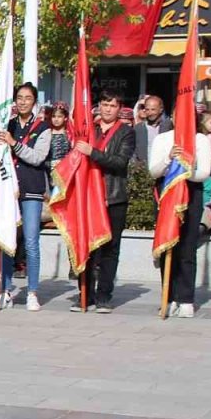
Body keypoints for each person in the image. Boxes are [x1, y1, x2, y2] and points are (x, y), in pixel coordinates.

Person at [73, 89, 135, 313]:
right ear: (99, 106)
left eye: (113, 105)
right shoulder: (90, 129)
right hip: (90, 196)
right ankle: (85, 294)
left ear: (119, 109)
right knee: (88, 247)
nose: (108, 109)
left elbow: (119, 162)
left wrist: (92, 152)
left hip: (113, 197)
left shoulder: (126, 132)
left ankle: (104, 296)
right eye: (105, 105)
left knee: (110, 248)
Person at [147, 115, 211, 318]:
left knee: (187, 248)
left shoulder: (200, 139)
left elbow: (204, 173)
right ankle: (169, 296)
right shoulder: (163, 138)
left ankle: (185, 298)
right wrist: (169, 159)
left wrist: (185, 168)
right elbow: (153, 171)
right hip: (167, 193)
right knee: (167, 245)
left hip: (190, 193)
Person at [0, 83, 51, 311]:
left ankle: (32, 292)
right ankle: (6, 289)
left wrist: (14, 144)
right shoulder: (6, 125)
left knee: (30, 242)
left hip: (32, 191)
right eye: (19, 97)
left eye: (27, 98)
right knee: (7, 240)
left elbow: (38, 157)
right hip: (9, 191)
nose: (23, 102)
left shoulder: (43, 128)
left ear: (34, 102)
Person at [134, 95, 173, 166]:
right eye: (147, 109)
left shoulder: (168, 127)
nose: (150, 113)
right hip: (144, 168)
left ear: (161, 110)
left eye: (153, 109)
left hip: (163, 167)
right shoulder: (138, 129)